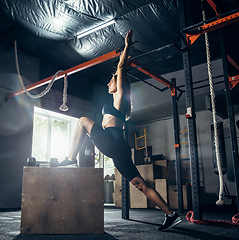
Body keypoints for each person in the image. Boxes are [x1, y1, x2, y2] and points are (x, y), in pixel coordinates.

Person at [59, 30, 181, 231]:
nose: (109, 83)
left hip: (113, 142)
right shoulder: (115, 101)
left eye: (112, 81)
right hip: (118, 148)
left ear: (119, 83)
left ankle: (71, 157)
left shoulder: (120, 97)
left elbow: (121, 67)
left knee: (82, 121)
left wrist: (126, 47)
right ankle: (171, 214)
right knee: (141, 185)